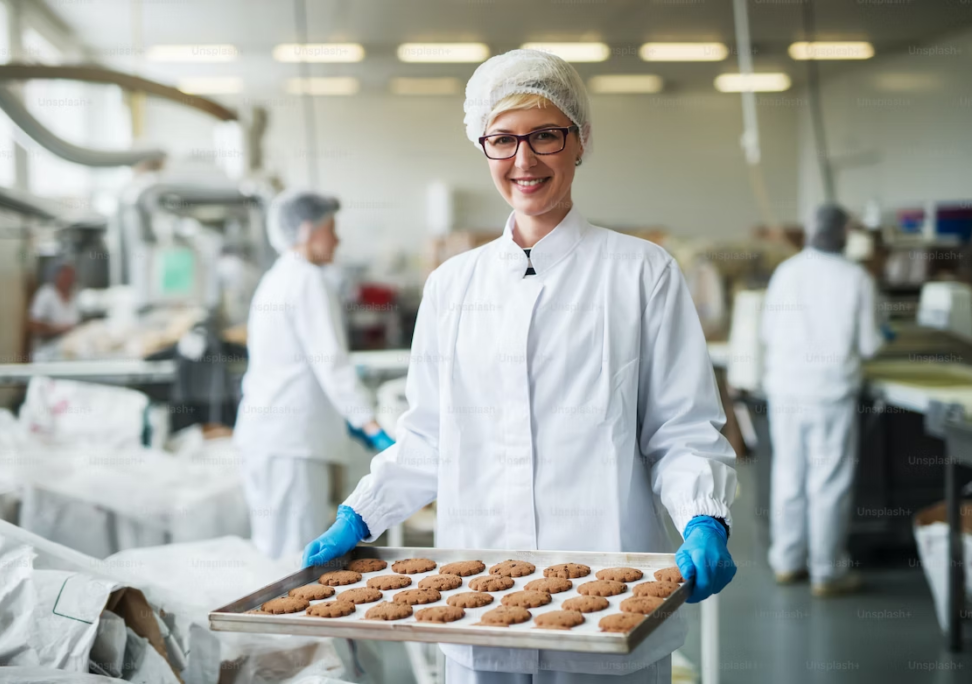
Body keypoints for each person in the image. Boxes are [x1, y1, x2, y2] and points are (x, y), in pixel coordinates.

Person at [304, 50, 737, 683]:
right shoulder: (452, 286)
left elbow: (681, 430)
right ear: (483, 146)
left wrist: (704, 515)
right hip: (477, 610)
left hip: (609, 605)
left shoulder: (641, 274)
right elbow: (427, 437)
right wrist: (361, 513)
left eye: (545, 135)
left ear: (581, 140)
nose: (523, 160)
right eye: (503, 140)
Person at [234, 190, 394, 560]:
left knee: (274, 553)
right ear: (307, 230)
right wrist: (372, 428)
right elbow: (331, 363)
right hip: (291, 444)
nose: (337, 239)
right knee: (295, 560)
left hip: (269, 439)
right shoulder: (308, 279)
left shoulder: (277, 277)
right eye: (331, 228)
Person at [762, 204, 884, 596]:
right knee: (828, 482)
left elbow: (767, 331)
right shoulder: (857, 278)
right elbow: (869, 344)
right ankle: (827, 574)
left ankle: (787, 561)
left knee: (789, 477)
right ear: (845, 233)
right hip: (830, 393)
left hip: (785, 390)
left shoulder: (787, 271)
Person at [29, 262, 80, 349]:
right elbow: (33, 325)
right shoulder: (46, 294)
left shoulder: (76, 295)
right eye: (66, 276)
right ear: (57, 276)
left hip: (70, 348)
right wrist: (59, 329)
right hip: (46, 350)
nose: (69, 280)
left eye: (71, 276)